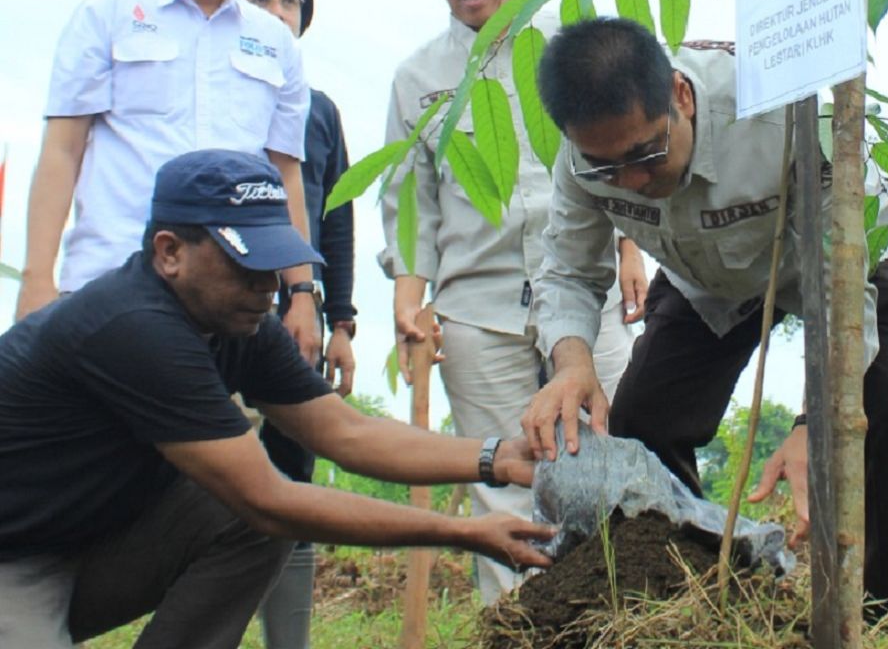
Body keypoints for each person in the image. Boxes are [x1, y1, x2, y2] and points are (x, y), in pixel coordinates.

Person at [0, 149, 552, 649]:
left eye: (275, 264)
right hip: (14, 557)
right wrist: (466, 533)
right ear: (169, 253)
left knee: (244, 517)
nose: (267, 287)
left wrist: (496, 457)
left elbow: (345, 433)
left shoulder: (237, 323)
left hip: (93, 541)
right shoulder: (134, 327)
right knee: (263, 505)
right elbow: (267, 497)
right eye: (246, 264)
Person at [523, 18, 888, 628]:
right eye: (607, 167)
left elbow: (841, 288)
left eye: (647, 154)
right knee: (644, 425)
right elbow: (566, 268)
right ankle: (691, 603)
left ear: (681, 96)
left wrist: (813, 422)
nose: (634, 182)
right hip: (707, 276)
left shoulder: (786, 118)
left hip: (845, 259)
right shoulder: (584, 157)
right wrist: (573, 363)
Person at [379, 0, 642, 604]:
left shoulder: (563, 48)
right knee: (500, 485)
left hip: (588, 304)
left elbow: (611, 152)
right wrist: (411, 296)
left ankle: (625, 615)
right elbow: (409, 201)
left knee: (619, 464)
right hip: (476, 308)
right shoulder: (417, 79)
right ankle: (515, 626)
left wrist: (629, 249)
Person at [15, 0, 321, 365]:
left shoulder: (276, 43)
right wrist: (37, 279)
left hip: (230, 294)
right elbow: (63, 152)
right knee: (92, 439)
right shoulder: (108, 16)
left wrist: (302, 295)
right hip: (110, 278)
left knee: (218, 436)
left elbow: (284, 173)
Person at [237, 0, 357, 648]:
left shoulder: (317, 111)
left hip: (297, 314)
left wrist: (337, 317)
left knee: (294, 471)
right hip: (216, 313)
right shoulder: (214, 94)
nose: (275, 12)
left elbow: (332, 216)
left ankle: (291, 640)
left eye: (288, 2)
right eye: (259, 1)